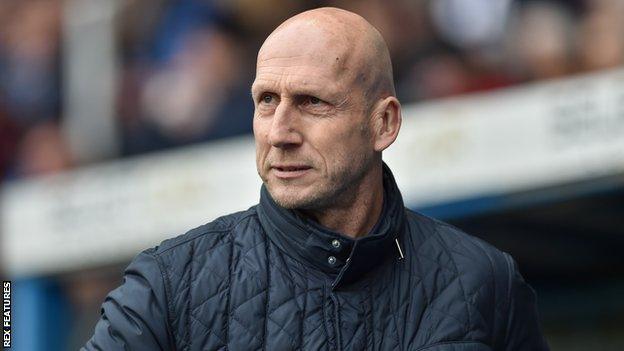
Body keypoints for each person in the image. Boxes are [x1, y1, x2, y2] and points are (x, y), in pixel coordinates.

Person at [83, 7, 549, 350]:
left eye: (312, 102)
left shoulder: (485, 283)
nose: (280, 133)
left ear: (383, 124)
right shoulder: (167, 285)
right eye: (266, 100)